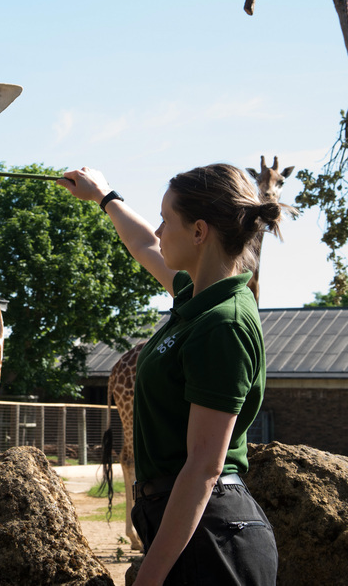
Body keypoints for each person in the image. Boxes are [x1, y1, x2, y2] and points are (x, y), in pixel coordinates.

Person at [60, 164, 287, 585]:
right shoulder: (196, 300)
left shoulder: (223, 323)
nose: (159, 231)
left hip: (213, 537)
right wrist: (104, 196)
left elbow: (203, 467)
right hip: (190, 526)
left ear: (199, 232)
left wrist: (150, 577)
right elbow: (144, 243)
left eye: (166, 219)